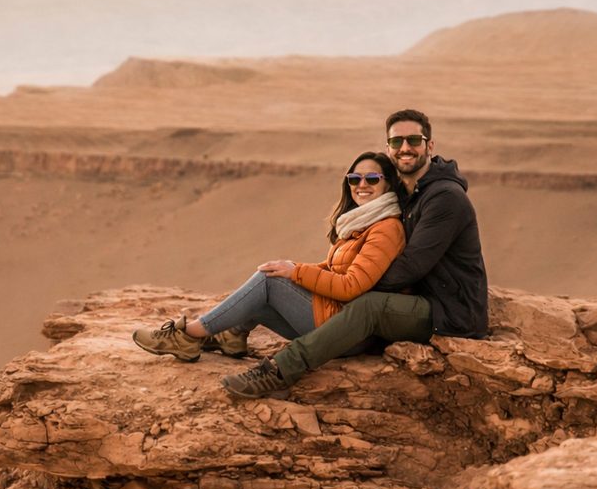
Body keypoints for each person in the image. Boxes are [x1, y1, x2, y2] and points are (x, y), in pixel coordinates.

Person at [221, 108, 488, 398]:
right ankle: (228, 332)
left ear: (429, 145)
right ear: (389, 148)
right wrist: (335, 280)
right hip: (416, 299)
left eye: (414, 140)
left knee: (368, 305)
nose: (405, 148)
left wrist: (353, 285)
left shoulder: (444, 197)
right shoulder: (412, 193)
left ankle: (278, 371)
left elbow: (412, 266)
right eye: (397, 142)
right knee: (293, 285)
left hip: (450, 311)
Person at [132, 151, 407, 364]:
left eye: (372, 179)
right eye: (354, 179)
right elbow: (334, 269)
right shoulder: (363, 222)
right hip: (337, 322)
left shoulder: (386, 228)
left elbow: (350, 286)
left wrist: (294, 273)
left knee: (269, 281)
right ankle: (232, 336)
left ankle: (187, 336)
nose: (361, 185)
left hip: (347, 333)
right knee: (269, 284)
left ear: (388, 185)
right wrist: (293, 268)